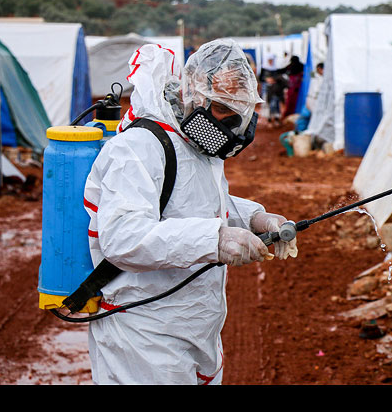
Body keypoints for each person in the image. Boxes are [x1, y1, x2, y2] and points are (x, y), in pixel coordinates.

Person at [83, 39, 298, 385]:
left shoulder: (195, 143)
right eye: (225, 112)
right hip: (144, 330)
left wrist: (256, 219)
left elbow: (197, 202)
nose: (232, 128)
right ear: (194, 96)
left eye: (239, 115)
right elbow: (123, 237)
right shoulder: (138, 147)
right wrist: (215, 239)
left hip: (194, 326)